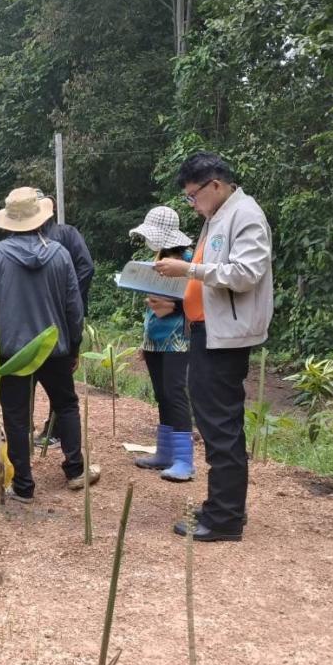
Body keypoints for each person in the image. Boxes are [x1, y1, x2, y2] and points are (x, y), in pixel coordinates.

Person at [155, 151, 273, 542]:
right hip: (206, 331)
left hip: (226, 337)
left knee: (220, 425)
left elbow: (245, 274)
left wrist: (186, 269)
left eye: (193, 195)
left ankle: (224, 520)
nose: (192, 203)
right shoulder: (216, 217)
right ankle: (222, 506)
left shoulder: (246, 215)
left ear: (216, 185)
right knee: (212, 420)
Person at [0, 187, 97, 503]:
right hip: (54, 348)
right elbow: (73, 308)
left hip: (13, 351)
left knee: (15, 415)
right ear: (40, 218)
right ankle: (76, 470)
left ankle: (24, 486)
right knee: (65, 404)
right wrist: (74, 345)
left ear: (9, 221)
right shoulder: (60, 254)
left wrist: (1, 309)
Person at [127, 206, 195, 481]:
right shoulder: (160, 257)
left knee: (175, 393)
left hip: (178, 339)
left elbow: (199, 299)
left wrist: (174, 305)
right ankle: (165, 452)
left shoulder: (188, 260)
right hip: (155, 339)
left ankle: (184, 460)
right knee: (162, 394)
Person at [33, 203, 94, 448]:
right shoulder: (24, 239)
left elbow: (86, 267)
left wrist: (70, 298)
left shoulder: (66, 233)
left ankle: (55, 429)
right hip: (43, 315)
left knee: (59, 373)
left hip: (62, 315)